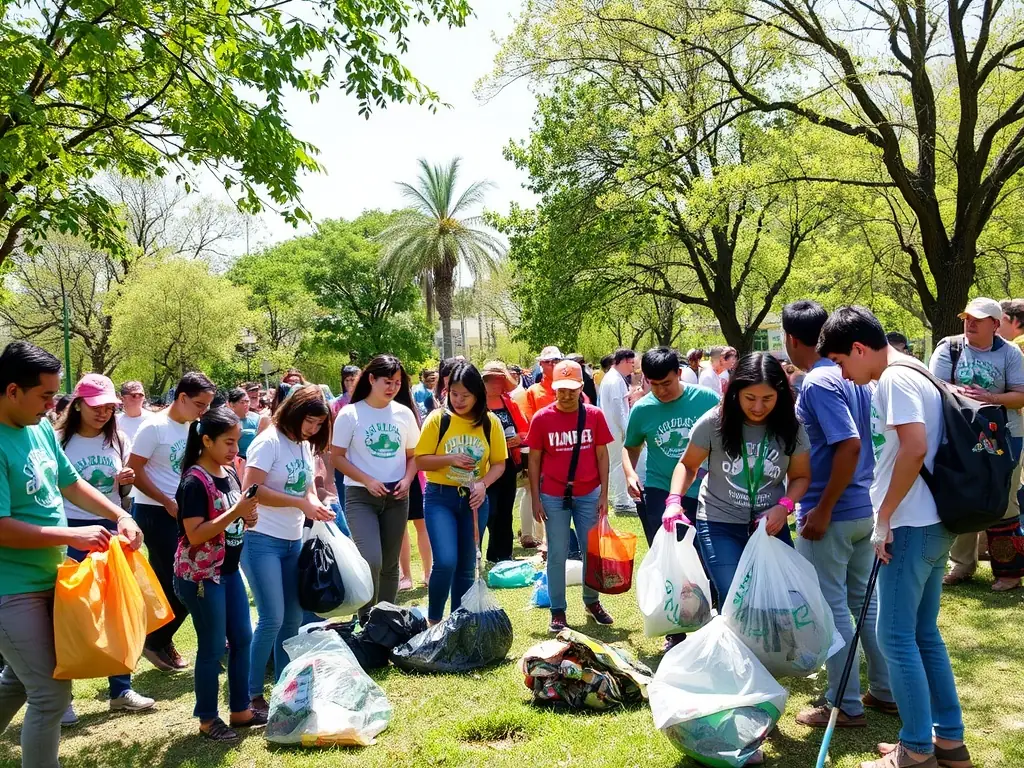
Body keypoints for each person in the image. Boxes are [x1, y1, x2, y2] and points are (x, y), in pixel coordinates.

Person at [818, 305, 969, 768]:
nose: (844, 373)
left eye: (842, 362)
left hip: (912, 524)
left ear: (860, 348)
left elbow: (915, 446)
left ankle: (916, 749)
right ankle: (948, 742)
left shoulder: (893, 379)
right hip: (932, 523)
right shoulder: (916, 369)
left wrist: (883, 518)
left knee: (896, 636)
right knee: (923, 634)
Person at [0, 341, 144, 768]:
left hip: (51, 578)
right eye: (45, 395)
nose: (52, 405)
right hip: (11, 588)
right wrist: (72, 533)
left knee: (17, 681)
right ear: (12, 391)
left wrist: (119, 513)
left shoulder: (39, 427)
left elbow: (69, 482)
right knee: (50, 694)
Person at [781, 301, 896, 728]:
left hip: (832, 511)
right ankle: (884, 691)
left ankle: (844, 704)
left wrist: (822, 508)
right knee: (865, 606)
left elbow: (848, 444)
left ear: (792, 340)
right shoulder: (853, 376)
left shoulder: (818, 382)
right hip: (862, 508)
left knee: (833, 611)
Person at [664, 352, 811, 603]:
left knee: (779, 600)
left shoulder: (792, 426)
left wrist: (784, 507)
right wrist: (674, 501)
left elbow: (801, 477)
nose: (758, 407)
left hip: (770, 525)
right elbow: (687, 465)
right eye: (750, 398)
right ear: (736, 393)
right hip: (719, 522)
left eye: (767, 399)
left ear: (780, 396)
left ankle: (769, 644)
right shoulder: (714, 422)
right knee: (735, 598)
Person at [56, 374, 154, 720]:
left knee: (118, 609)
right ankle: (62, 699)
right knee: (71, 615)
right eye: (97, 407)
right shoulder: (57, 441)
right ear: (78, 405)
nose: (103, 414)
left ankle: (121, 688)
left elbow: (123, 495)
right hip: (69, 533)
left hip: (113, 532)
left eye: (110, 407)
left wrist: (125, 486)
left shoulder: (119, 439)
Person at [173, 406, 263, 743]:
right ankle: (208, 719)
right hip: (200, 576)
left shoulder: (229, 472)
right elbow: (195, 534)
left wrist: (246, 517)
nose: (234, 449)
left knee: (243, 638)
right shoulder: (194, 481)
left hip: (227, 571)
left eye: (237, 441)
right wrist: (234, 512)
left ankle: (240, 710)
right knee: (212, 646)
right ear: (206, 440)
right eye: (227, 442)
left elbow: (234, 514)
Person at [242, 384, 333, 712]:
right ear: (294, 413)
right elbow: (251, 489)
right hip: (260, 539)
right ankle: (251, 695)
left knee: (293, 617)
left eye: (319, 424)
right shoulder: (268, 442)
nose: (314, 429)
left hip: (293, 540)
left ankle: (284, 686)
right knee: (272, 617)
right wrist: (300, 502)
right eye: (310, 421)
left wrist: (315, 505)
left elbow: (307, 488)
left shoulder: (303, 446)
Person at [930, 297, 1024, 591]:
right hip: (961, 436)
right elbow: (934, 385)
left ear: (995, 324)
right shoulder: (950, 347)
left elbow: (1021, 395)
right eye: (967, 318)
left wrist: (990, 398)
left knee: (1003, 500)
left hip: (1007, 435)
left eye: (978, 319)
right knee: (963, 493)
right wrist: (962, 392)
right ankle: (961, 565)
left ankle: (1009, 571)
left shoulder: (1010, 353)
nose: (969, 323)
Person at [129, 371, 216, 672]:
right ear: (181, 397)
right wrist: (165, 499)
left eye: (207, 405)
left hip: (183, 513)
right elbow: (134, 471)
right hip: (155, 513)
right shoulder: (153, 427)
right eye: (199, 404)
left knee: (179, 583)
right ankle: (155, 641)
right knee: (182, 583)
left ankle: (159, 639)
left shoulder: (192, 428)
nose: (203, 411)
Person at [527, 359, 616, 633]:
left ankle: (592, 601)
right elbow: (534, 460)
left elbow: (602, 454)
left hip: (589, 493)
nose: (566, 396)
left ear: (581, 387)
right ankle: (558, 610)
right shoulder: (542, 418)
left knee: (592, 551)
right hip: (553, 494)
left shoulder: (594, 415)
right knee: (556, 552)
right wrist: (535, 498)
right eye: (561, 390)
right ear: (554, 388)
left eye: (572, 390)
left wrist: (603, 494)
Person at [415, 362, 507, 624]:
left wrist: (483, 484)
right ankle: (434, 622)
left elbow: (499, 464)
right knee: (445, 561)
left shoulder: (490, 423)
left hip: (475, 500)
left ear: (477, 393)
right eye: (453, 393)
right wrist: (450, 458)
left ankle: (458, 624)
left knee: (467, 566)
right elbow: (420, 460)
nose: (458, 400)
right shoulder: (438, 420)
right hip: (439, 498)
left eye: (465, 395)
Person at [331, 355, 420, 620]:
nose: (392, 387)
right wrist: (367, 480)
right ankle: (365, 617)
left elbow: (414, 456)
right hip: (361, 495)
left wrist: (407, 480)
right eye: (387, 382)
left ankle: (386, 619)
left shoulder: (404, 413)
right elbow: (336, 457)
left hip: (396, 495)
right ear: (371, 379)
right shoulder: (350, 413)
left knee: (390, 565)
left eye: (396, 382)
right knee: (371, 559)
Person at [622, 348, 720, 545]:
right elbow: (630, 447)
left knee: (699, 554)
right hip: (659, 487)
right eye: (654, 384)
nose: (661, 391)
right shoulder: (642, 409)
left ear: (679, 374)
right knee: (664, 552)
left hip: (701, 488)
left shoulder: (707, 399)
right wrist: (630, 474)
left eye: (667, 383)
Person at [482, 361, 529, 563]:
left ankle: (503, 555)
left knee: (505, 510)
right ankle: (487, 553)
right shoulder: (475, 404)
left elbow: (526, 431)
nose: (497, 384)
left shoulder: (510, 402)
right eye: (491, 380)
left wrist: (518, 439)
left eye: (500, 380)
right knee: (489, 511)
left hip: (509, 463)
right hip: (485, 465)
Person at [598, 347, 638, 513]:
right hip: (615, 429)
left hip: (613, 428)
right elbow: (617, 407)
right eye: (630, 363)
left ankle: (620, 497)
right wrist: (626, 429)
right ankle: (621, 500)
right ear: (621, 361)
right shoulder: (615, 380)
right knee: (618, 464)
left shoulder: (614, 378)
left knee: (616, 463)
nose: (632, 367)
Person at [229, 387, 260, 469]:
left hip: (255, 459)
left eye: (247, 401)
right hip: (236, 460)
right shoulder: (228, 421)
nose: (246, 404)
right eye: (242, 402)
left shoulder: (257, 418)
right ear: (232, 404)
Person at [117, 381, 149, 447]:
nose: (138, 398)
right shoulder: (115, 421)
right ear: (122, 399)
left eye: (141, 395)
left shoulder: (154, 421)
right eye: (134, 396)